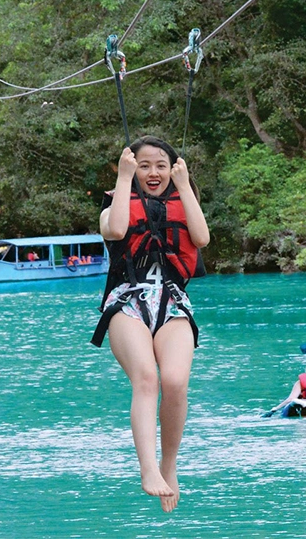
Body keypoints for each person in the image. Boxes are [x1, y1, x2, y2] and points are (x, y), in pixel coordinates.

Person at [93, 136, 210, 512]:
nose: (153, 172)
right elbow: (115, 231)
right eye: (144, 165)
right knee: (147, 378)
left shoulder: (182, 201)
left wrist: (186, 183)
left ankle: (168, 466)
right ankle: (147, 468)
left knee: (175, 381)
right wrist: (124, 177)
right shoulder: (115, 205)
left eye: (161, 165)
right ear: (132, 168)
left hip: (172, 300)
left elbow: (202, 238)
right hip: (127, 300)